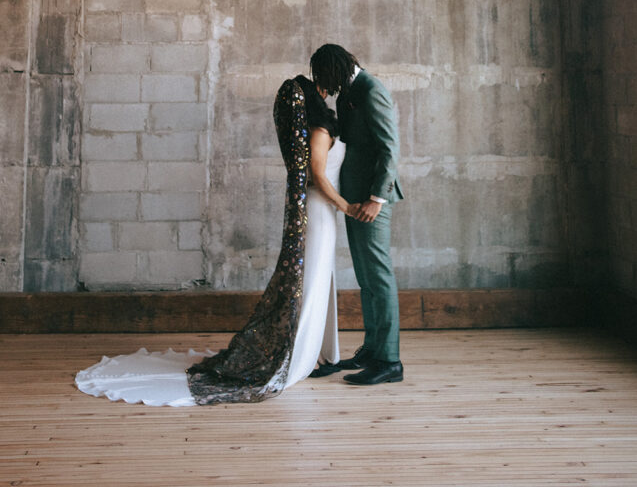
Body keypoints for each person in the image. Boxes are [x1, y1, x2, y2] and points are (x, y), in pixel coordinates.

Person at [75, 75, 355, 406]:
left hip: (322, 214)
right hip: (321, 213)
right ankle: (301, 356)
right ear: (314, 100)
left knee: (318, 280)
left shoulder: (320, 131)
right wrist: (347, 207)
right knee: (311, 282)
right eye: (321, 91)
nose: (326, 94)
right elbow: (318, 176)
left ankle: (318, 352)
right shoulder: (321, 133)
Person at [309, 44, 404, 386]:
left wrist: (377, 199)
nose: (324, 84)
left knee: (379, 276)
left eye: (324, 76)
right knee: (366, 278)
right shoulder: (349, 91)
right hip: (354, 198)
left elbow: (389, 147)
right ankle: (372, 349)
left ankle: (389, 360)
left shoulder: (371, 89)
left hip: (371, 200)